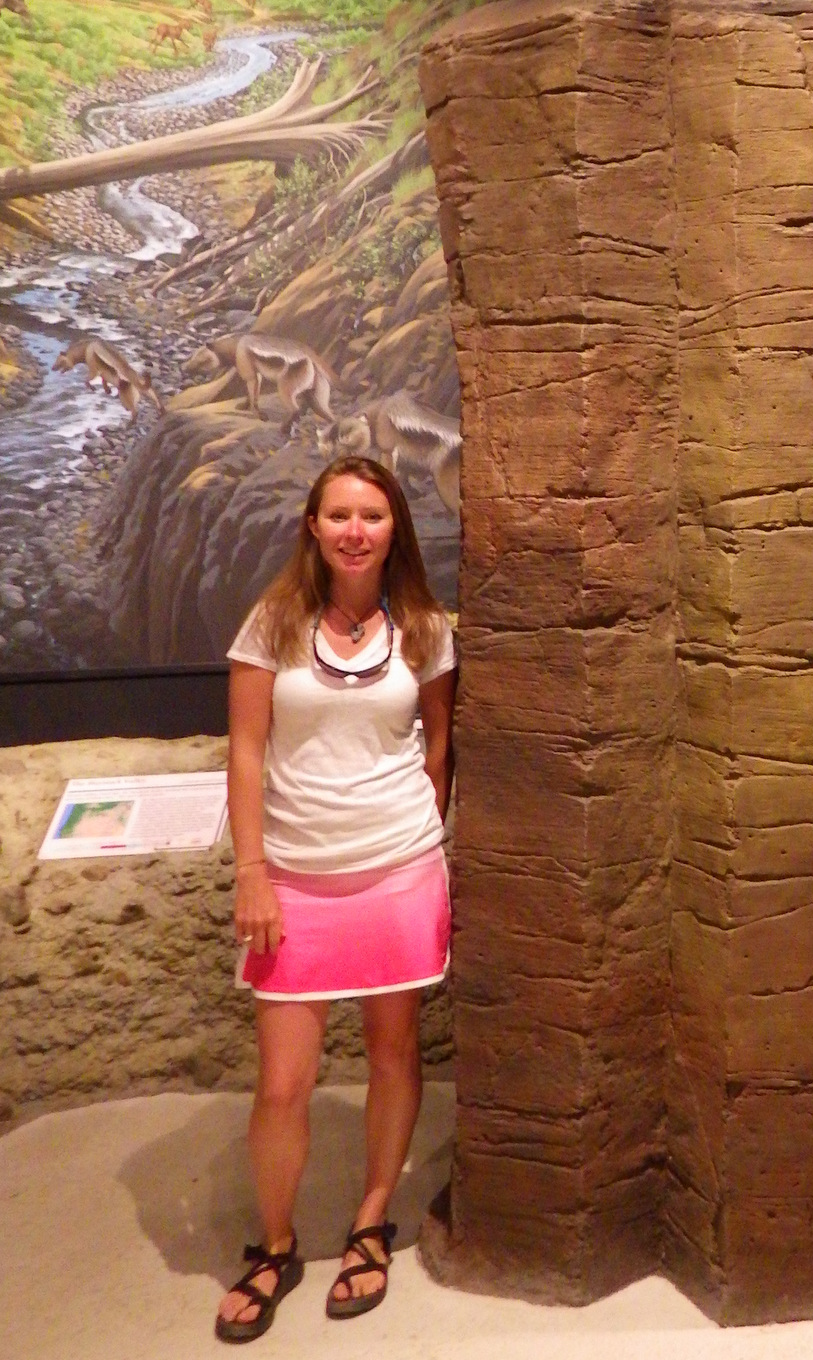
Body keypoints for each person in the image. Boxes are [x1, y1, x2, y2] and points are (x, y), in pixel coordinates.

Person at [213, 456, 457, 1344]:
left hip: (398, 868)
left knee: (395, 1053)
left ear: (396, 529)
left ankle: (371, 1222)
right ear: (313, 527)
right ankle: (274, 1244)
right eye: (340, 515)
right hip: (295, 882)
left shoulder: (427, 628)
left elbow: (437, 749)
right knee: (285, 1083)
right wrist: (253, 871)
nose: (357, 530)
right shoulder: (272, 626)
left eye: (374, 515)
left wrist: (419, 839)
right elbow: (245, 751)